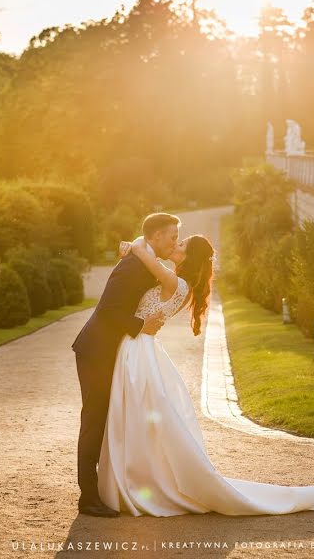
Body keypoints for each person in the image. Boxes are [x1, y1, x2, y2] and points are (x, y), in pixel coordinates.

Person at [96, 235, 314, 517]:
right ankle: (135, 477)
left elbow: (142, 249)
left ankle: (138, 482)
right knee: (138, 417)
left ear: (190, 258)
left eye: (182, 245)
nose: (175, 246)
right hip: (140, 349)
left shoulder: (176, 283)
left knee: (137, 415)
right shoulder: (175, 280)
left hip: (140, 351)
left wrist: (132, 244)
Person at [71, 213, 181, 518]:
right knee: (94, 420)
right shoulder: (133, 266)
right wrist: (141, 325)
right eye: (172, 236)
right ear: (156, 237)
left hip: (110, 352)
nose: (174, 242)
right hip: (96, 351)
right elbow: (107, 310)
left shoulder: (142, 261)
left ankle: (105, 489)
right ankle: (88, 497)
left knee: (108, 419)